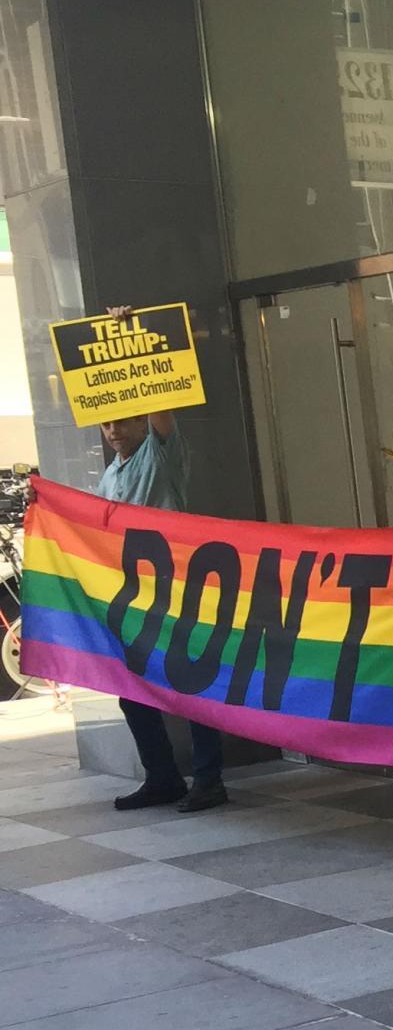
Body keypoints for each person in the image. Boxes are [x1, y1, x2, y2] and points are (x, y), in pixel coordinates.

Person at [94, 311, 224, 814]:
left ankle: (208, 779)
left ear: (140, 421)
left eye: (123, 420)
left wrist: (133, 339)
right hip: (134, 594)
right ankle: (163, 777)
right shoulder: (112, 474)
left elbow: (162, 408)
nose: (113, 430)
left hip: (175, 587)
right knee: (132, 689)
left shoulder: (161, 452)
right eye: (107, 422)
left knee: (190, 685)